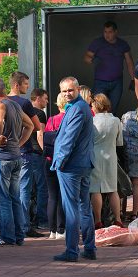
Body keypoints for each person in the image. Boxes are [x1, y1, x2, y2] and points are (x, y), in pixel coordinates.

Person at [50, 76, 96, 262]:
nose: (67, 93)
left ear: (78, 89)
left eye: (70, 90)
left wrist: (59, 162)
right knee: (84, 207)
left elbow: (69, 139)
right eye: (64, 91)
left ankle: (71, 251)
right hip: (82, 164)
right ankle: (90, 248)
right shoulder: (79, 107)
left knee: (72, 210)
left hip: (71, 166)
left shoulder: (77, 108)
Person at [0, 77, 34, 246]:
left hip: (2, 158)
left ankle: (6, 237)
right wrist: (19, 143)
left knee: (2, 199)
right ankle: (19, 235)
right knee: (15, 197)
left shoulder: (1, 105)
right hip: (16, 157)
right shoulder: (15, 105)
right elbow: (30, 126)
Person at [7, 72, 45, 238]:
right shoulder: (24, 103)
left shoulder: (2, 102)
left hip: (5, 153)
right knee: (24, 190)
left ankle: (10, 227)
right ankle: (24, 225)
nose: (27, 87)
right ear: (17, 85)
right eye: (25, 84)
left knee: (7, 191)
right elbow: (36, 126)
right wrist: (21, 141)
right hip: (23, 152)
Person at [84, 21, 134, 112]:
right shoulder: (97, 43)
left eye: (110, 32)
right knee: (98, 107)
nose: (107, 35)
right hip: (100, 82)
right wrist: (93, 60)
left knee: (112, 108)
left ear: (116, 32)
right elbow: (86, 57)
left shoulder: (122, 44)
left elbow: (129, 61)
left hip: (117, 82)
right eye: (105, 32)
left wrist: (133, 79)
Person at [90, 93, 124, 229]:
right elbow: (119, 142)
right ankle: (118, 219)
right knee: (112, 189)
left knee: (95, 189)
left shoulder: (92, 121)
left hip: (95, 156)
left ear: (95, 105)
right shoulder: (116, 120)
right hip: (111, 156)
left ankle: (98, 220)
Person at [43, 93, 67, 240]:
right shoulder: (69, 119)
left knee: (52, 196)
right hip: (63, 161)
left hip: (49, 159)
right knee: (63, 197)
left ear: (58, 104)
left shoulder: (51, 120)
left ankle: (52, 230)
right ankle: (61, 229)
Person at [30, 88, 50, 228]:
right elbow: (40, 134)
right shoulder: (40, 114)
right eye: (45, 98)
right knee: (42, 188)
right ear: (37, 98)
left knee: (28, 189)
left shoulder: (24, 110)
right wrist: (46, 152)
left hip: (25, 153)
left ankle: (28, 218)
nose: (47, 101)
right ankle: (42, 220)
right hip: (37, 153)